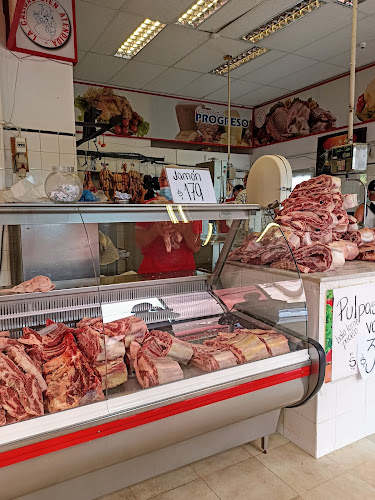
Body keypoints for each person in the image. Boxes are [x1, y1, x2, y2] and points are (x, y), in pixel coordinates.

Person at [136, 168, 202, 274]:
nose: (165, 183)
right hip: (151, 272)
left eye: (170, 180)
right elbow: (138, 243)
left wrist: (185, 230)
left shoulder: (190, 209)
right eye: (162, 180)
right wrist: (154, 231)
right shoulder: (149, 206)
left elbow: (196, 247)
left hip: (185, 272)